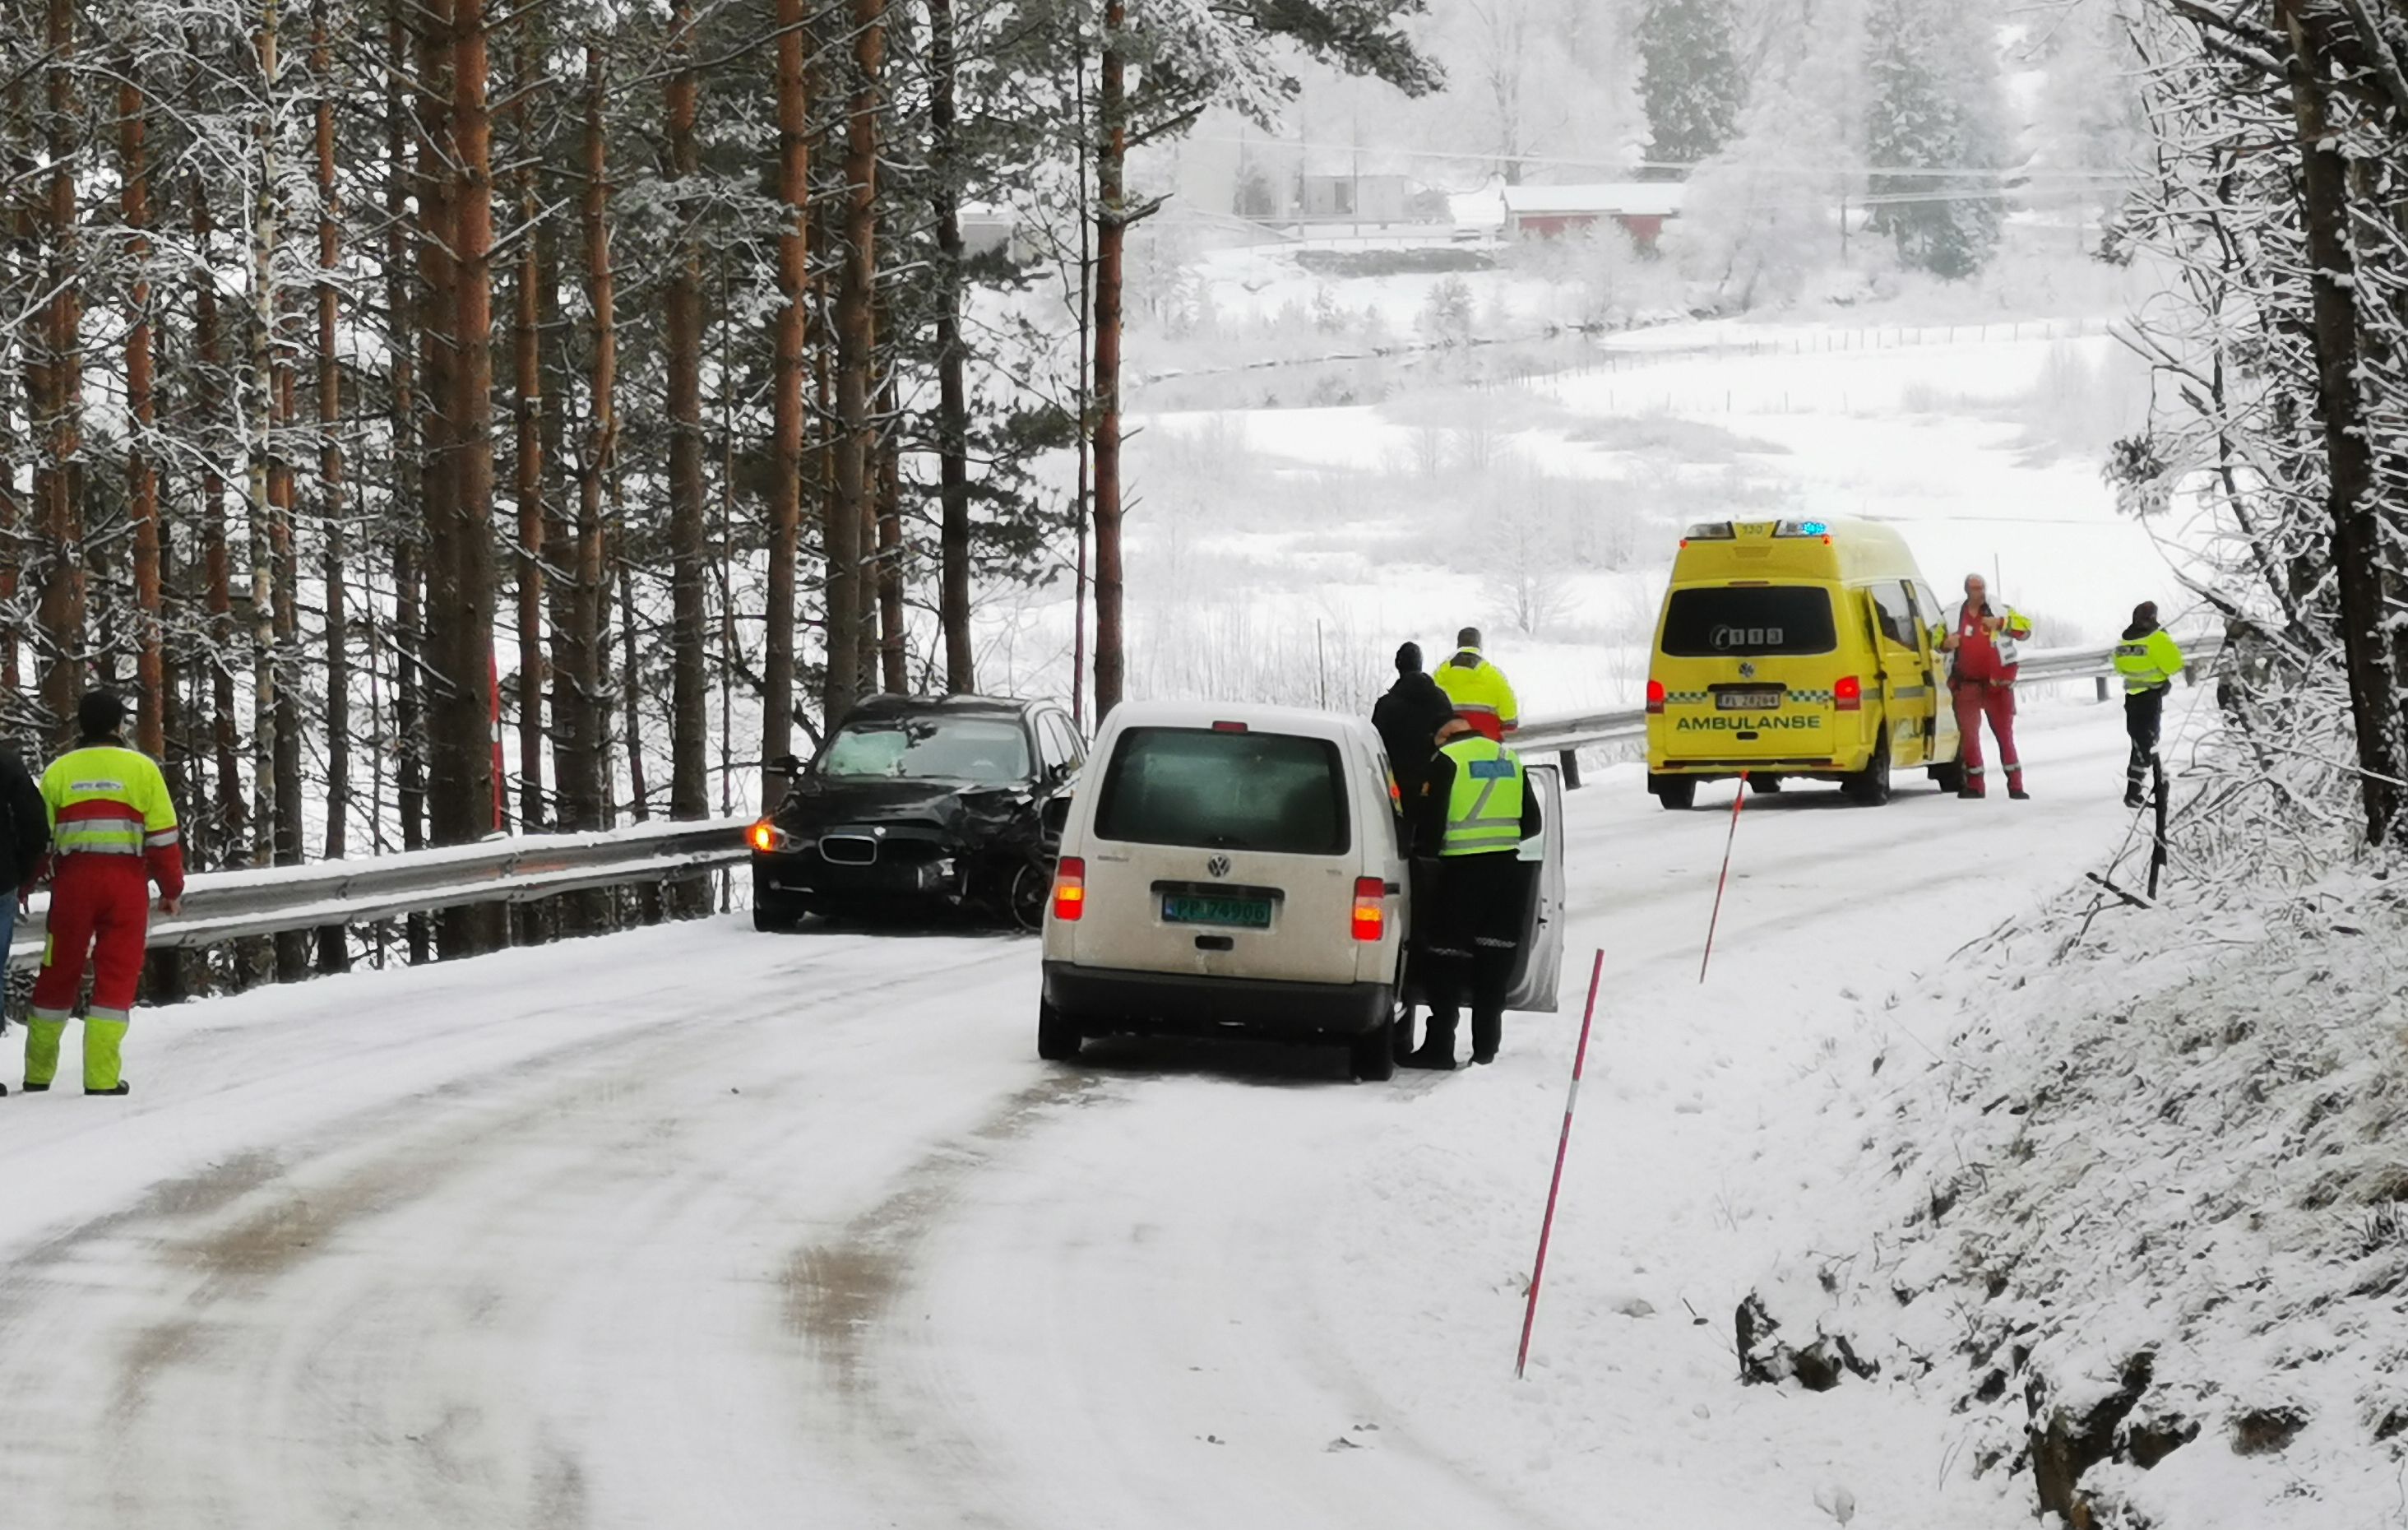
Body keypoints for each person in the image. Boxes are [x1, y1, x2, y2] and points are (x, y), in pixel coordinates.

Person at [26, 692, 184, 1096]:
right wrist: (171, 889)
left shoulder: (58, 771)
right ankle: (101, 1078)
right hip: (125, 885)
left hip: (72, 885)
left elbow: (39, 841)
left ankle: (37, 1074)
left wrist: (26, 886)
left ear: (81, 725)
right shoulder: (142, 769)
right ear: (119, 725)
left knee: (57, 972)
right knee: (116, 976)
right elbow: (163, 840)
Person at [1402, 717, 1542, 1071]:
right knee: (1494, 963)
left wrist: (1423, 855)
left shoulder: (1447, 759)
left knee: (1445, 959)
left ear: (1444, 735)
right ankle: (1485, 1052)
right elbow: (1532, 823)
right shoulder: (1508, 758)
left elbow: (1430, 823)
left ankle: (1439, 1047)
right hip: (1508, 874)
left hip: (1461, 874)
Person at [1941, 574, 2032, 800]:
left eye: (1982, 588)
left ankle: (2016, 786)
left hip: (1997, 687)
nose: (1980, 593)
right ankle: (1975, 786)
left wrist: (2001, 623)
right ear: (1966, 590)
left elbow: (2026, 630)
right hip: (1966, 685)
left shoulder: (2001, 610)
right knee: (1969, 737)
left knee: (2005, 736)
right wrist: (1945, 643)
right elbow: (1934, 639)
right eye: (1975, 588)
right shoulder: (1951, 615)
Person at [1371, 642, 1456, 846]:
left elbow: (1376, 746)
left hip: (1398, 787)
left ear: (1398, 665)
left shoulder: (1386, 705)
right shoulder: (1441, 701)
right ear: (1420, 664)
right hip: (1435, 783)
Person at [2114, 601, 2186, 809]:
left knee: (2138, 743)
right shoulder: (2157, 638)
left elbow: (2119, 667)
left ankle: (2134, 791)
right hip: (2151, 696)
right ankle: (2158, 783)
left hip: (2132, 697)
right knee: (2149, 743)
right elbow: (2174, 665)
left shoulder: (2124, 639)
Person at [1433, 627, 1521, 742]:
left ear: (1458, 644)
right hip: (1486, 743)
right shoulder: (1493, 675)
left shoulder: (1440, 674)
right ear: (1479, 645)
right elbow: (1510, 718)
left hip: (1450, 744)